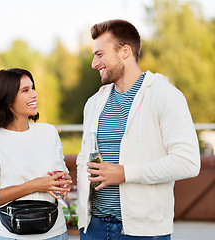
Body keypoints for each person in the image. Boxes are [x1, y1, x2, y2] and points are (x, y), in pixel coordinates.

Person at [76, 19, 200, 240]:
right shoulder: (93, 103)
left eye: (100, 55)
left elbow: (188, 162)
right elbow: (84, 157)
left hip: (144, 232)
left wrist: (124, 173)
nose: (94, 63)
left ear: (125, 51)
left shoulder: (165, 95)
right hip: (93, 228)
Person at [0, 68, 72, 240]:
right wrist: (34, 186)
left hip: (56, 233)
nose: (34, 94)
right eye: (25, 90)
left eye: (32, 88)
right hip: (11, 236)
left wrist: (61, 184)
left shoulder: (48, 132)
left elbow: (58, 176)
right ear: (7, 100)